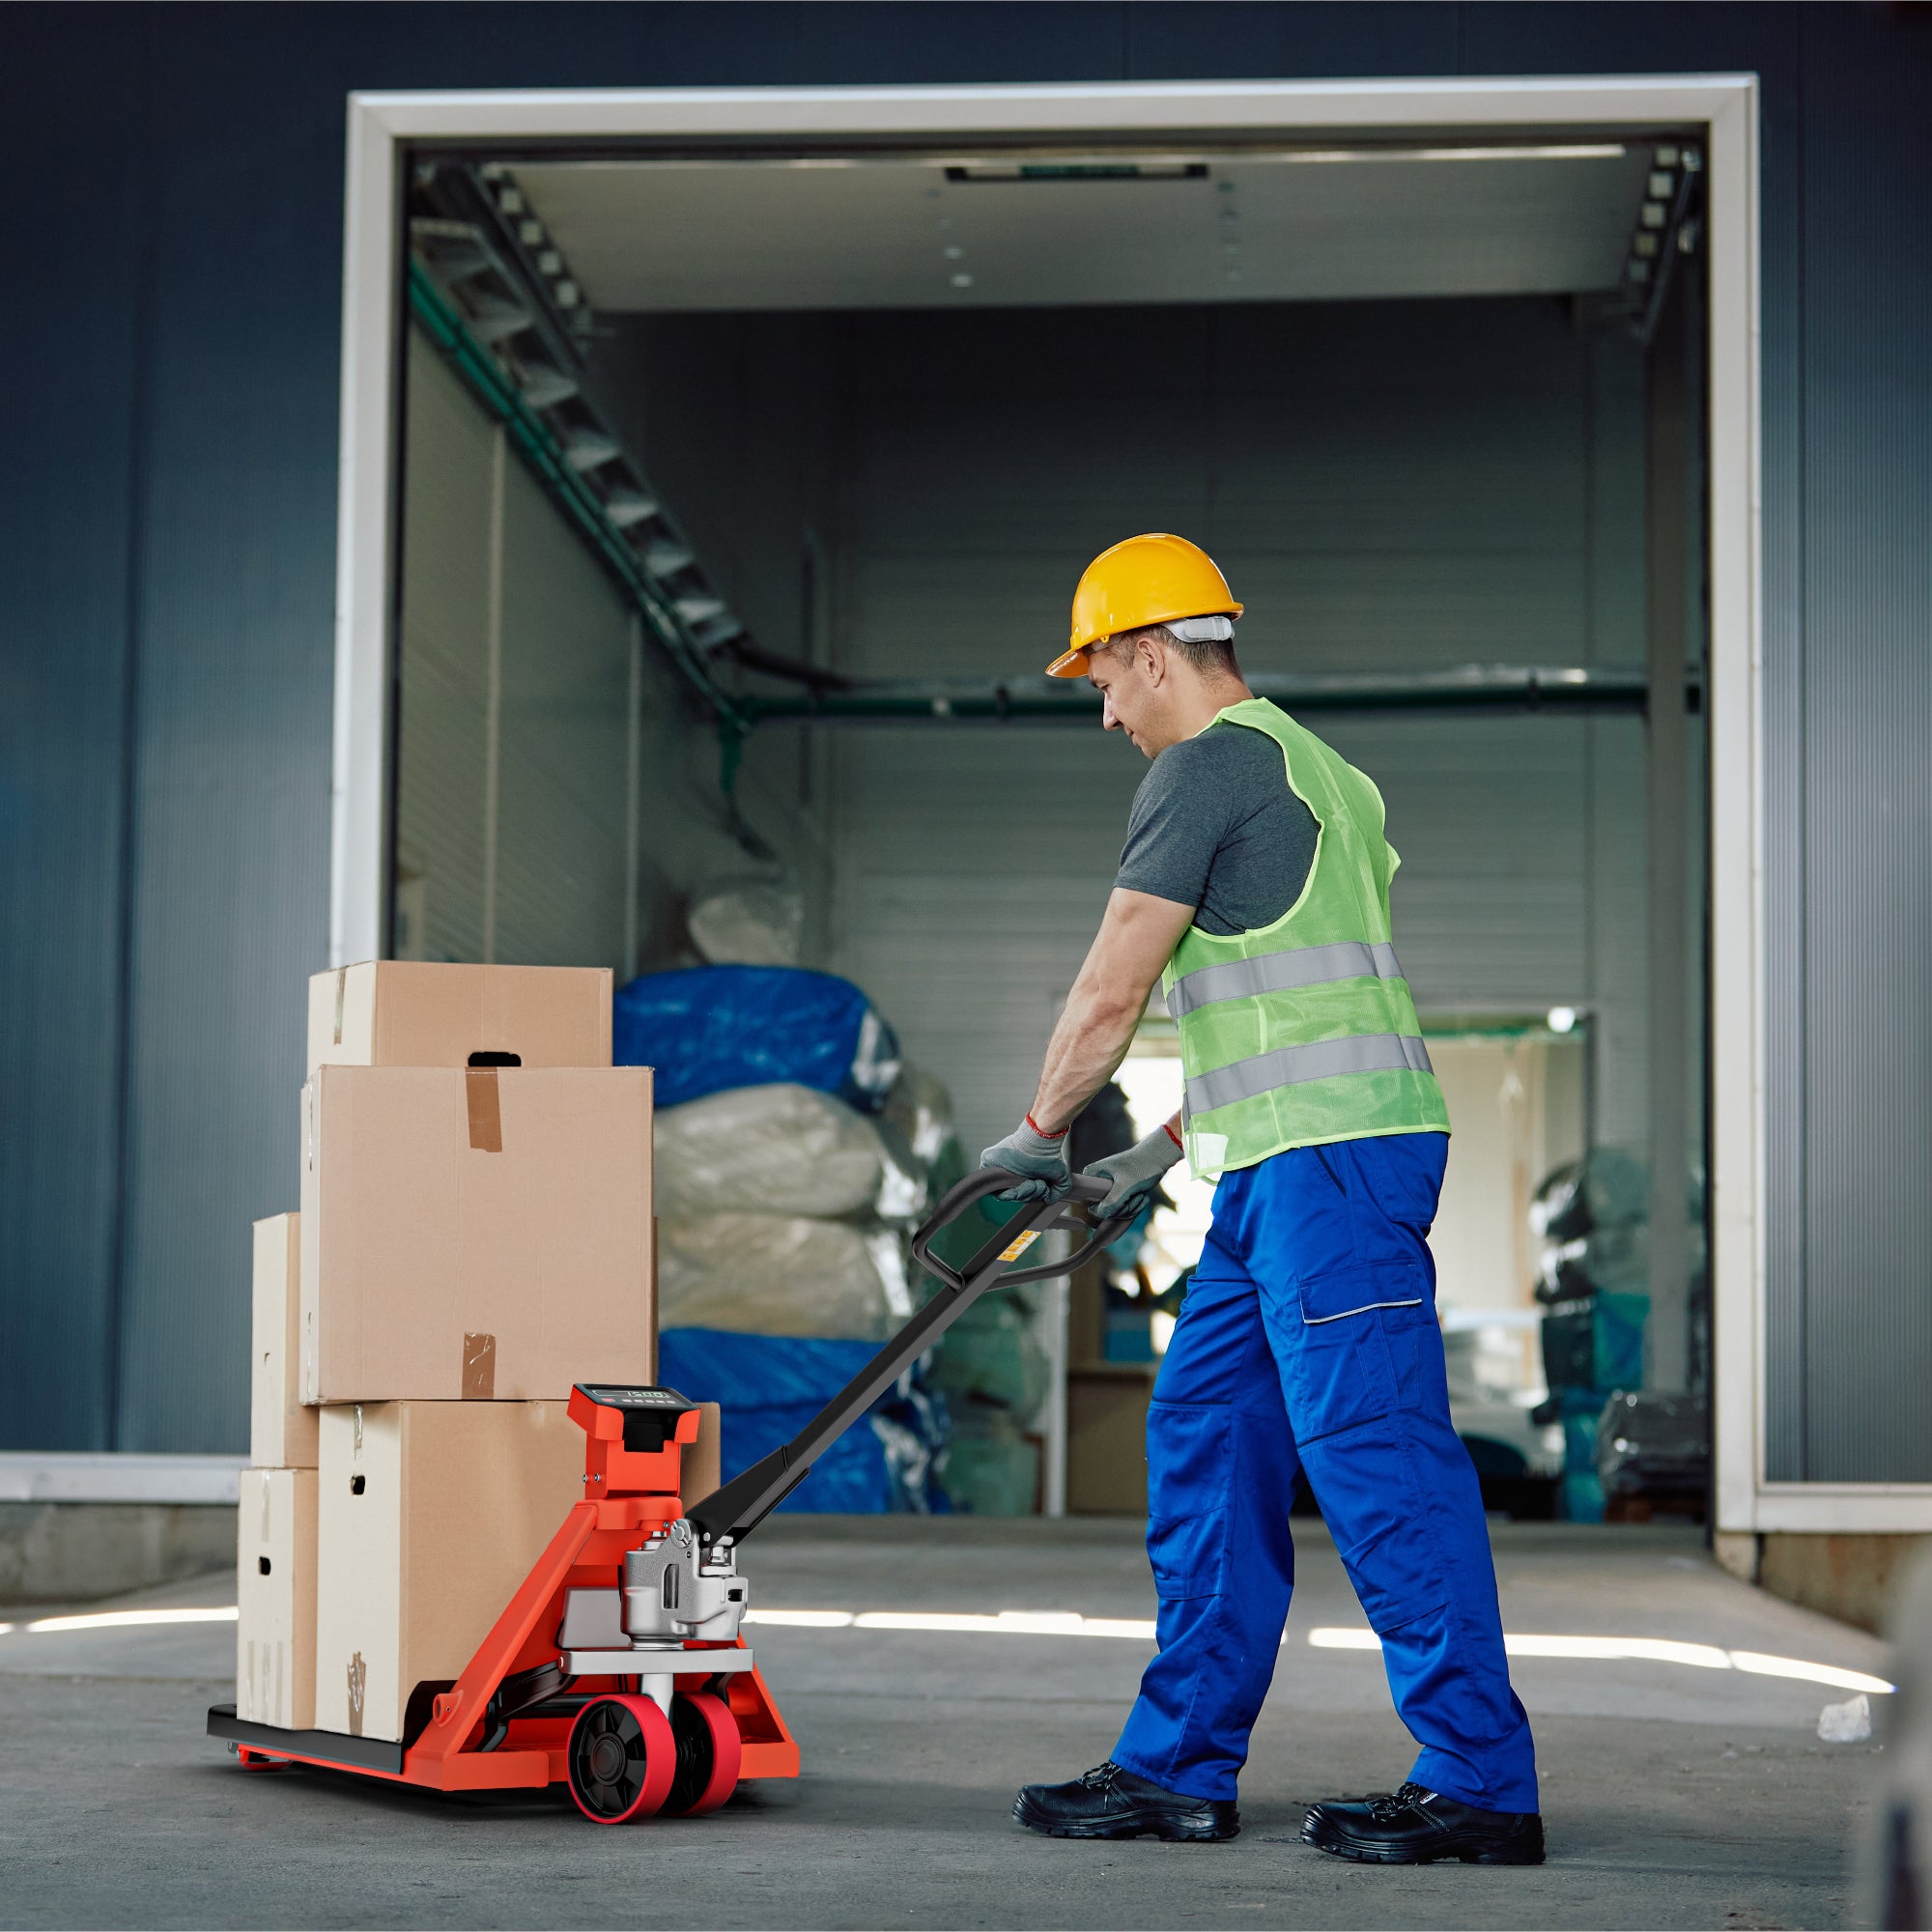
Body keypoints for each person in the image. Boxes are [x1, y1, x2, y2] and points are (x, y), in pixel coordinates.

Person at [980, 533, 1544, 1867]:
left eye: (1106, 680)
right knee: (1207, 1444)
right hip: (1269, 1161)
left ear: (1154, 653)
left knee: (1379, 1460)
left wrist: (1036, 1136)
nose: (1108, 713)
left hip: (1330, 1171)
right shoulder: (1322, 771)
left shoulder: (1205, 765)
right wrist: (1164, 1144)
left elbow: (1116, 980)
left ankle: (1481, 1778)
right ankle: (1177, 1768)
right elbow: (1291, 995)